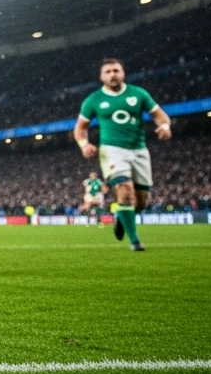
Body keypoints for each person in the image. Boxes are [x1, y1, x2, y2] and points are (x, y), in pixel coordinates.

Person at [73, 58, 172, 252]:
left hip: (139, 150)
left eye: (116, 70)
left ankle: (121, 217)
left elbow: (159, 114)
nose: (113, 74)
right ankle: (135, 241)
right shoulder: (93, 100)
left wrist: (165, 125)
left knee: (141, 201)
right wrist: (84, 144)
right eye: (108, 71)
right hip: (111, 150)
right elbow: (80, 128)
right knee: (124, 188)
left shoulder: (139, 94)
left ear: (123, 73)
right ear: (102, 76)